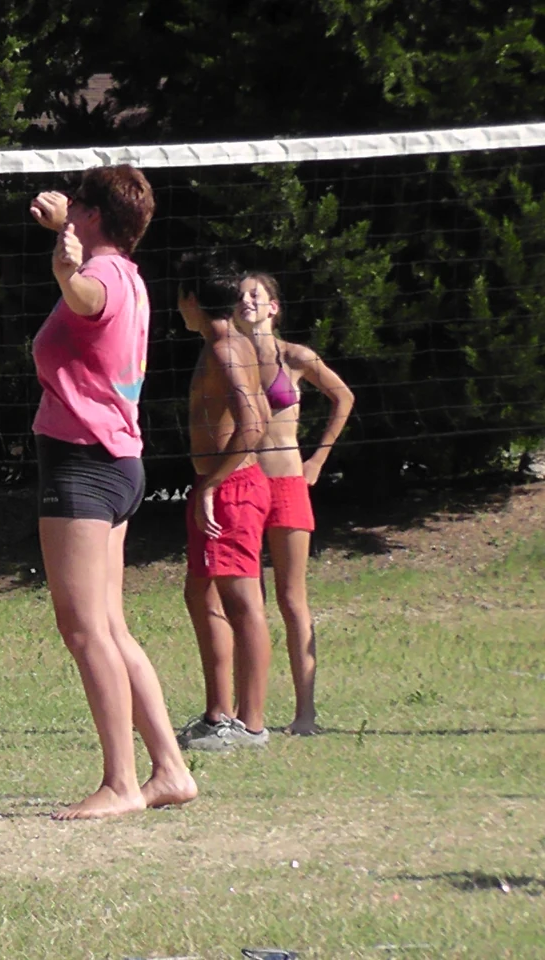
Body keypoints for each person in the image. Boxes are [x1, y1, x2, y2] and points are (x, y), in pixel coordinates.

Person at [27, 167, 198, 819]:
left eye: (77, 200)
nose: (66, 204)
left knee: (83, 629)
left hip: (83, 466)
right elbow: (87, 293)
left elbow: (83, 298)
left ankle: (121, 782)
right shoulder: (129, 273)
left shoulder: (98, 278)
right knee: (110, 626)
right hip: (117, 463)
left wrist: (65, 268)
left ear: (93, 214)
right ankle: (170, 770)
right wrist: (66, 250)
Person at [237, 272, 354, 735]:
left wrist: (318, 459)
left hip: (287, 481)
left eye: (255, 295)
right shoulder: (227, 357)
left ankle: (305, 714)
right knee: (247, 601)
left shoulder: (296, 357)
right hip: (244, 484)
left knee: (291, 598)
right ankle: (248, 713)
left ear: (273, 307)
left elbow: (343, 396)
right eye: (240, 295)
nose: (246, 301)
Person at [175, 255, 274, 751]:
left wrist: (213, 484)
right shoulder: (217, 344)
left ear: (190, 299)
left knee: (242, 601)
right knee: (201, 594)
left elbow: (253, 425)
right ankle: (218, 714)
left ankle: (251, 725)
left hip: (230, 487)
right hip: (215, 483)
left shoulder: (227, 350)